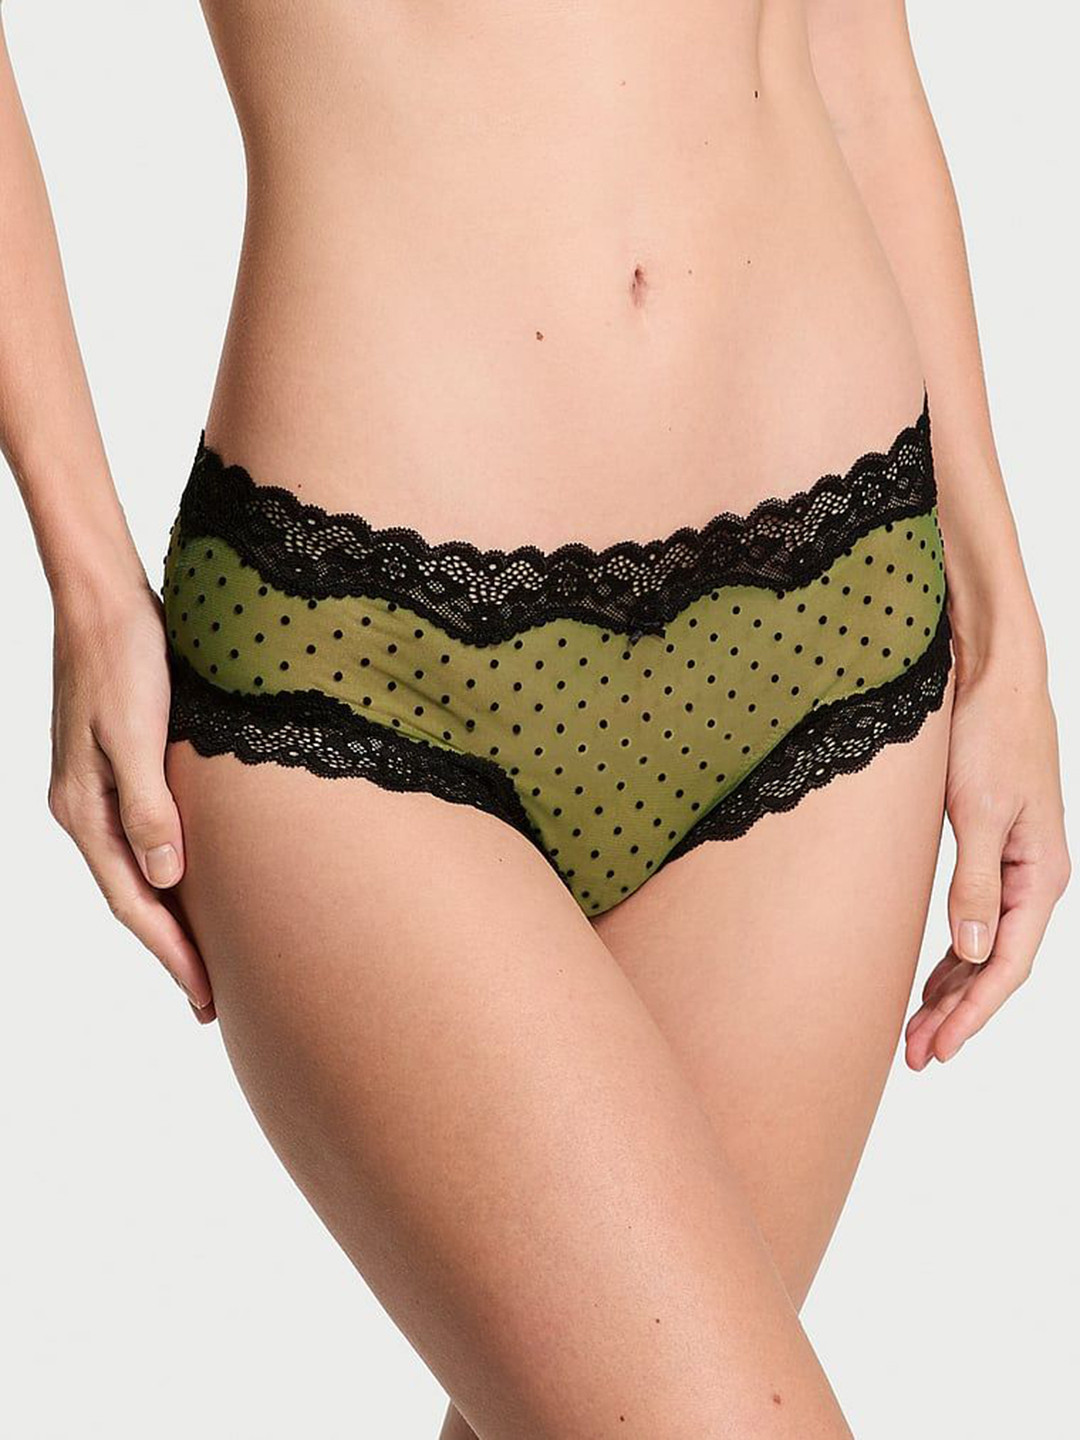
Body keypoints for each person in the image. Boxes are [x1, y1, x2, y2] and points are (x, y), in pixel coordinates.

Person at [1, 3, 1069, 1435]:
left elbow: (856, 61)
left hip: (829, 619)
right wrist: (85, 578)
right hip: (363, 660)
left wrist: (1002, 622)